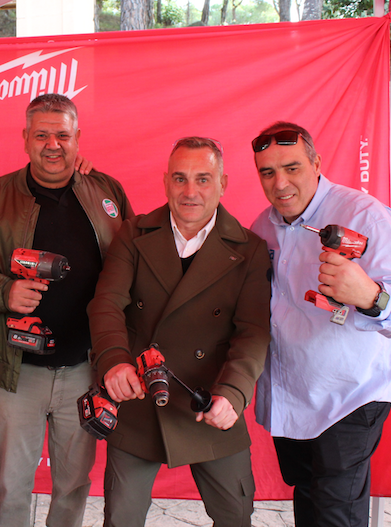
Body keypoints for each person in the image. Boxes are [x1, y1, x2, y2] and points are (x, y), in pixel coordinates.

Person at [0, 93, 133, 527]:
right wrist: (4, 291)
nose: (53, 145)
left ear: (78, 138)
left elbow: (132, 266)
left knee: (74, 483)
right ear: (25, 138)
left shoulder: (106, 191)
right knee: (13, 483)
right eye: (42, 135)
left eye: (62, 135)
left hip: (86, 369)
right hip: (19, 371)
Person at [87, 137, 271, 527]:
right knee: (121, 518)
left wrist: (233, 393)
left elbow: (252, 333)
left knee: (236, 516)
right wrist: (114, 362)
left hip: (209, 401)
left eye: (203, 179)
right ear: (166, 182)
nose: (190, 191)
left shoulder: (250, 249)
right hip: (139, 396)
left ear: (222, 184)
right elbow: (106, 304)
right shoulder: (133, 233)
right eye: (180, 178)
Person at [250, 121, 391, 527]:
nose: (280, 183)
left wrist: (370, 295)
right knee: (309, 497)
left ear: (316, 164)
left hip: (350, 395)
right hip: (293, 395)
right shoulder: (262, 228)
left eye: (292, 168)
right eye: (268, 172)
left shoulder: (365, 215)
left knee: (335, 512)